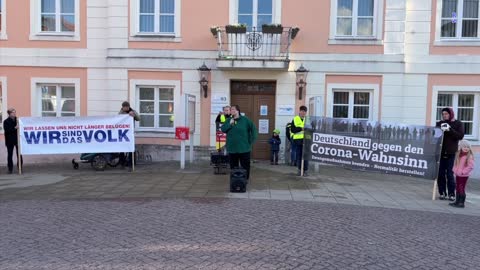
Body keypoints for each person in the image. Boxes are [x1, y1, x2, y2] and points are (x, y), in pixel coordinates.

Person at [221, 105, 257, 180]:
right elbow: (223, 129)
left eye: (233, 109)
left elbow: (253, 129)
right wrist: (229, 124)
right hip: (232, 148)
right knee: (233, 166)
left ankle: (245, 180)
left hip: (244, 148)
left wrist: (251, 140)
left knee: (246, 165)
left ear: (238, 110)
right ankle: (234, 179)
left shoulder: (245, 120)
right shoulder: (229, 120)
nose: (232, 111)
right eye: (231, 110)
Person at [436, 107, 464, 201]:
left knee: (449, 174)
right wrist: (439, 130)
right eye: (443, 114)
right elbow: (434, 135)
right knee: (440, 174)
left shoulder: (458, 123)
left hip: (451, 152)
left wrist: (450, 129)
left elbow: (460, 136)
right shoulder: (440, 123)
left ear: (451, 114)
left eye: (446, 114)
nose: (445, 115)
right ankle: (442, 192)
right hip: (441, 152)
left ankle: (452, 193)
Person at [450, 140, 475, 208]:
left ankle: (461, 203)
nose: (466, 148)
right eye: (464, 147)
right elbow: (455, 164)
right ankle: (457, 201)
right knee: (457, 187)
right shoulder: (459, 155)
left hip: (464, 176)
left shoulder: (469, 156)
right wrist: (454, 170)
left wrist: (463, 172)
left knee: (461, 188)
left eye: (467, 147)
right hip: (458, 174)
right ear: (461, 147)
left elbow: (470, 167)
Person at [119, 101, 140, 171]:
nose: (126, 108)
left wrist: (133, 114)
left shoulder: (133, 111)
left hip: (130, 133)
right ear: (122, 107)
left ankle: (131, 164)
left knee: (131, 149)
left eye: (127, 107)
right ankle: (122, 163)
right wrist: (126, 115)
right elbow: (118, 119)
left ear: (128, 107)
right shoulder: (120, 113)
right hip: (122, 134)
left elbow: (138, 118)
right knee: (121, 149)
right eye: (124, 107)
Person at [3, 108, 23, 174]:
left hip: (17, 140)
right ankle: (10, 169)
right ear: (9, 114)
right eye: (13, 112)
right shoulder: (6, 121)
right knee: (10, 155)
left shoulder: (18, 120)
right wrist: (15, 128)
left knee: (19, 154)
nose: (14, 113)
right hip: (9, 140)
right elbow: (7, 130)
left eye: (15, 112)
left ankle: (20, 167)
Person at [291, 106, 308, 176]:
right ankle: (299, 170)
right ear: (299, 111)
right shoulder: (295, 119)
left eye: (304, 111)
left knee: (306, 156)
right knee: (299, 155)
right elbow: (293, 130)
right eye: (302, 111)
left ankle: (305, 170)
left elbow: (312, 129)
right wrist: (301, 128)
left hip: (306, 140)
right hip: (298, 140)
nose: (303, 113)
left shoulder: (308, 119)